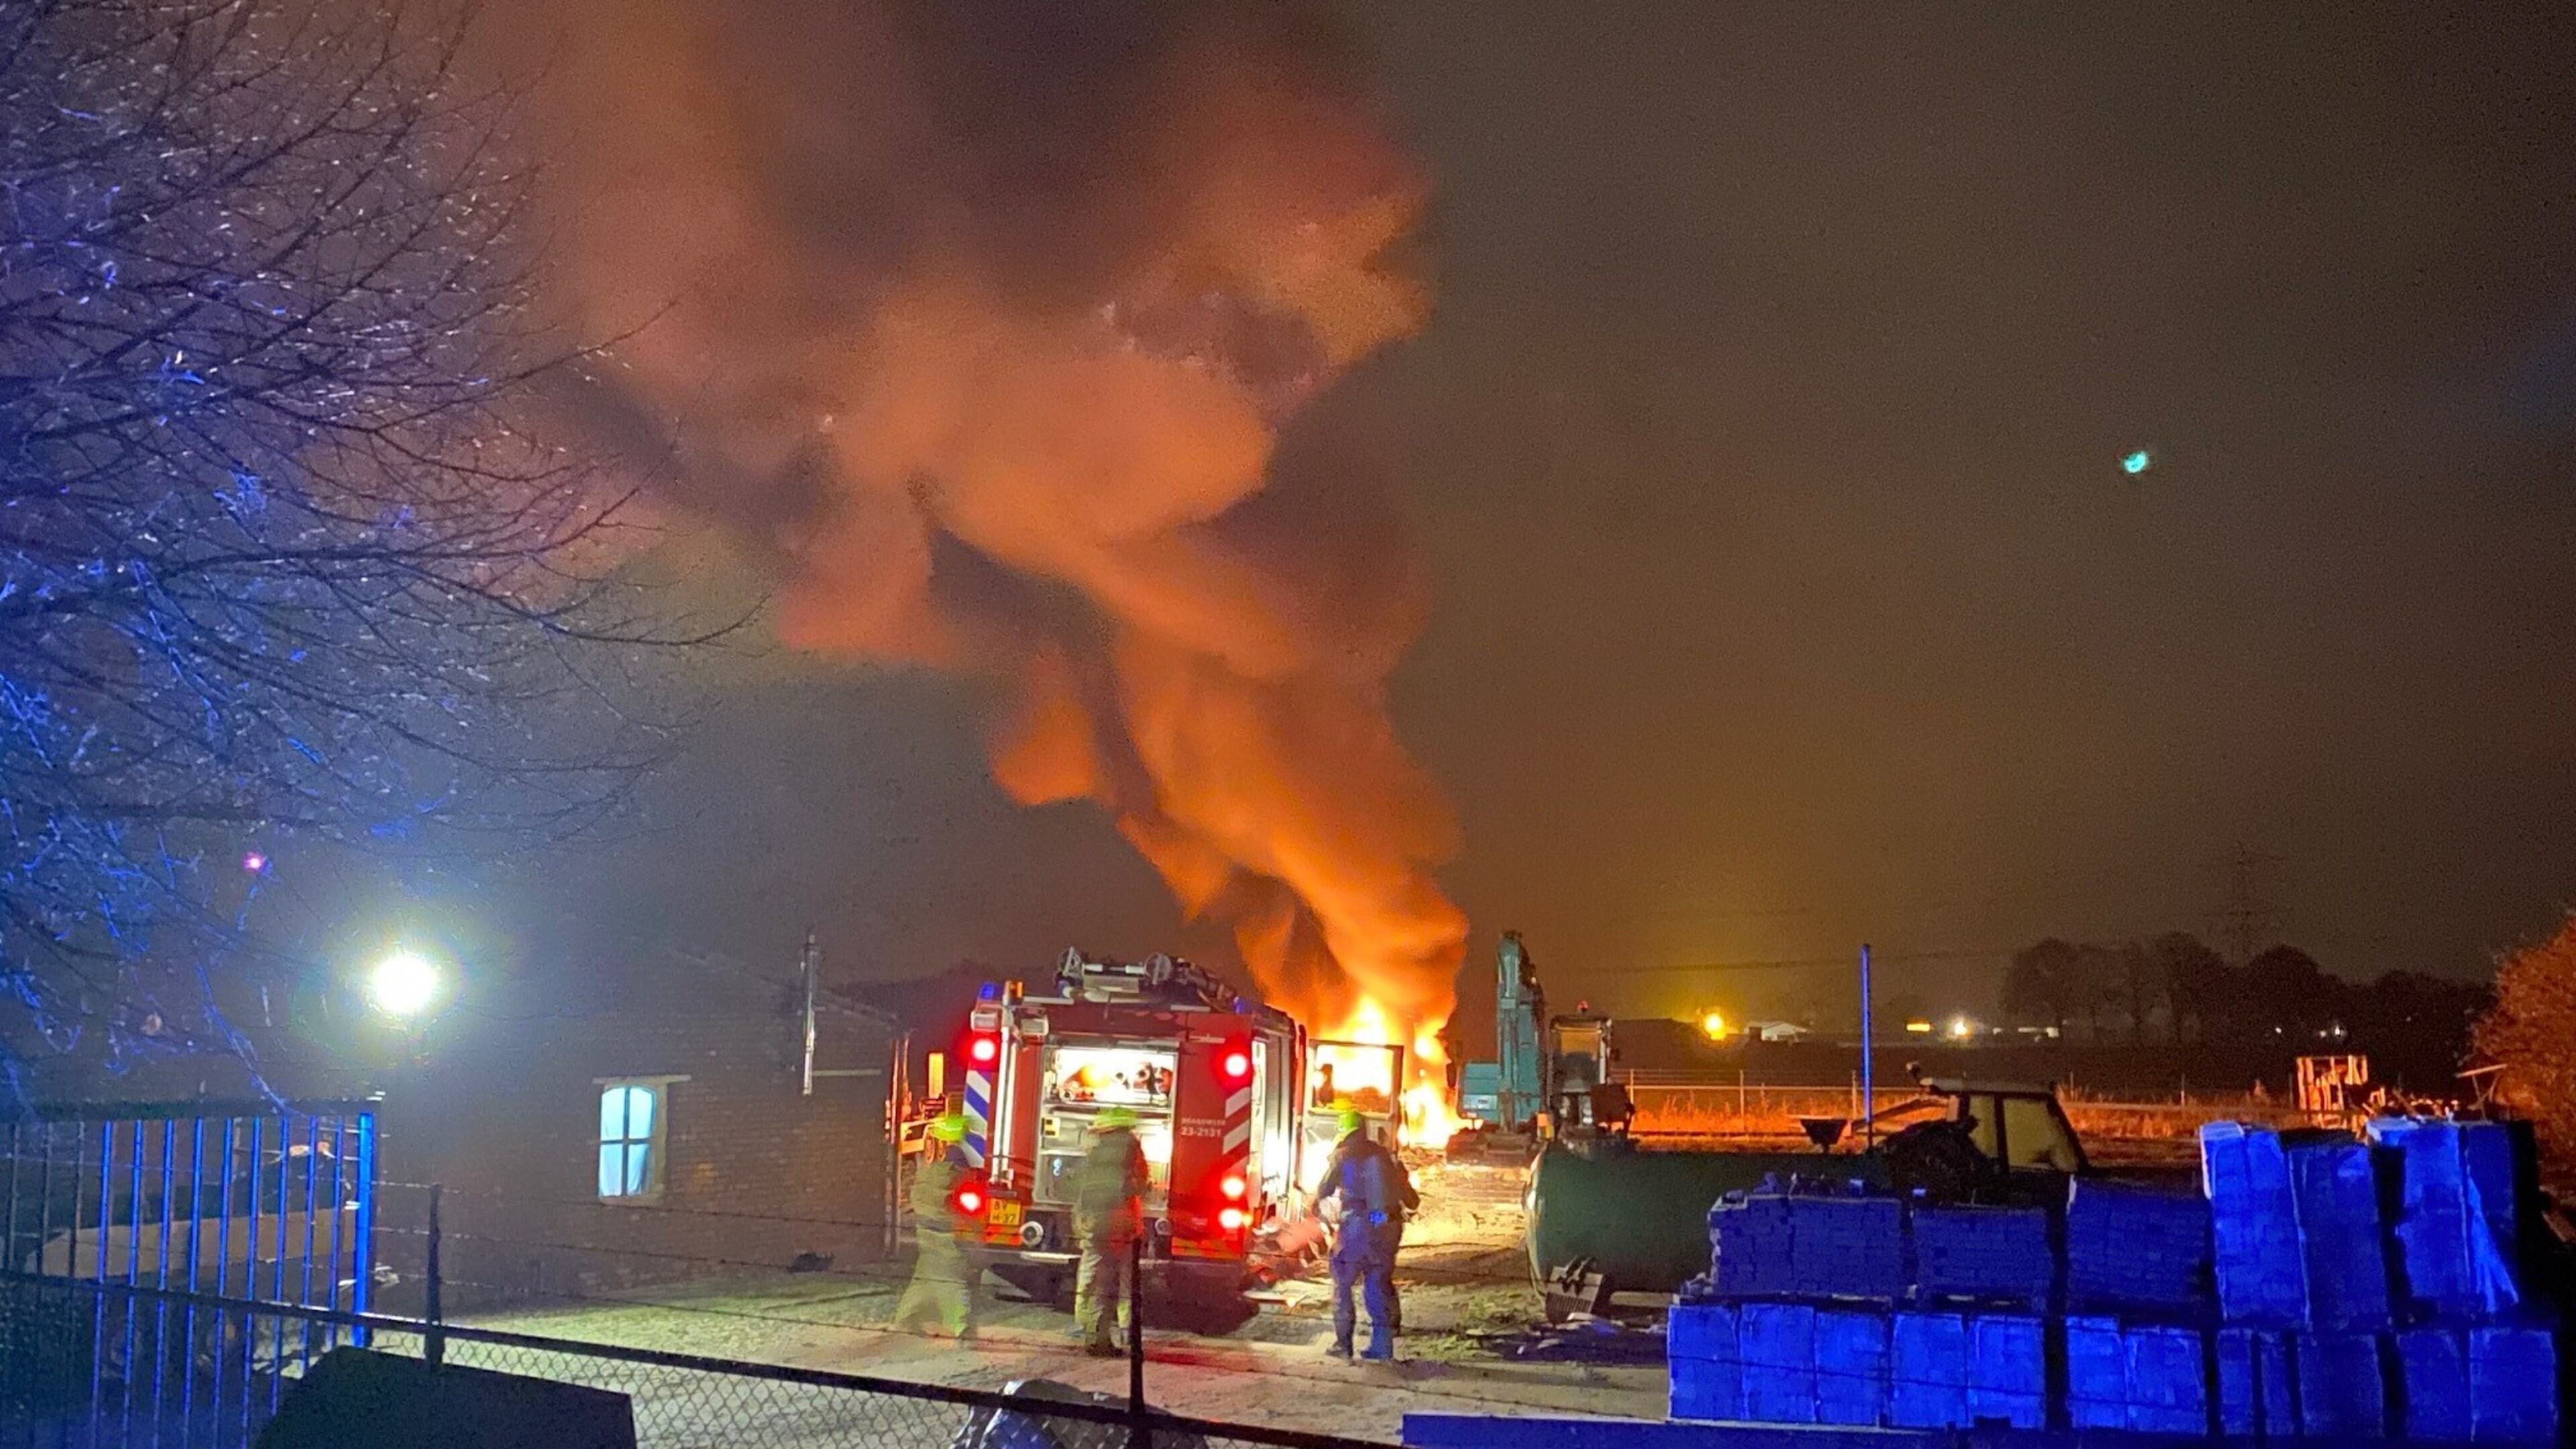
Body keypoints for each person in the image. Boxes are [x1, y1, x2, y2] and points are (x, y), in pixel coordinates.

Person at [1316, 1106, 1417, 1362]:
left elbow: (1323, 1190)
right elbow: (1412, 1201)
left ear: (1344, 1133)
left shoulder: (1342, 1157)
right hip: (1387, 1221)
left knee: (1343, 1281)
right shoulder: (1386, 1156)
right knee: (1377, 1281)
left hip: (1362, 1220)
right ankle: (1382, 1348)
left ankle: (1343, 1343)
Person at [1071, 1105, 1150, 1356]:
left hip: (1093, 1223)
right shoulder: (1132, 1149)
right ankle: (1125, 1333)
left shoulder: (1095, 1151)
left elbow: (1080, 1187)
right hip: (1122, 1225)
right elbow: (1140, 1183)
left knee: (1093, 1280)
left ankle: (1091, 1332)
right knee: (1126, 1280)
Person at [894, 1113, 977, 1339]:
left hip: (926, 1229)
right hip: (943, 1234)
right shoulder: (957, 1169)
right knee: (951, 1278)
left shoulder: (930, 1170)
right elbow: (964, 1205)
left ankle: (906, 1319)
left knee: (925, 1276)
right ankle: (961, 1325)